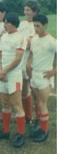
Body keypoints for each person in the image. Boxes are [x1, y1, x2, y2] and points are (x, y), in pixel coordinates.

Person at [0, 12, 26, 148]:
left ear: (13, 24)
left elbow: (18, 59)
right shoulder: (4, 37)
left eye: (6, 23)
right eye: (4, 23)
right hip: (2, 75)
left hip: (13, 75)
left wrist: (4, 71)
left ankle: (20, 135)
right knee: (4, 104)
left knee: (17, 105)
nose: (4, 25)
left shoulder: (21, 38)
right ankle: (5, 131)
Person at [26, 14, 56, 142]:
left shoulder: (51, 41)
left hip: (44, 76)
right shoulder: (34, 39)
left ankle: (45, 130)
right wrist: (28, 66)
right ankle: (38, 125)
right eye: (34, 25)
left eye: (38, 26)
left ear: (45, 26)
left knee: (42, 104)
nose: (36, 28)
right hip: (34, 75)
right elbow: (31, 54)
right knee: (36, 102)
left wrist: (53, 71)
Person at [18, 0, 40, 124]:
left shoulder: (37, 25)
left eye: (28, 10)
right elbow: (19, 41)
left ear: (35, 11)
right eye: (25, 10)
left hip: (32, 60)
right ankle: (28, 116)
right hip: (21, 60)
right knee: (24, 89)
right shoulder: (21, 24)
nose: (25, 12)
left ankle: (38, 118)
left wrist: (23, 43)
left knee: (35, 90)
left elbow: (30, 45)